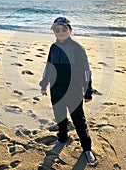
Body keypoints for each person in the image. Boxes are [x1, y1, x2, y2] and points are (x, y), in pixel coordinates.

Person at [39, 17, 96, 163]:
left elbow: (86, 71)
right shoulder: (53, 47)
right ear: (54, 32)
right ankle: (62, 138)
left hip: (73, 90)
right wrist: (44, 83)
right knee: (60, 116)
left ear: (70, 30)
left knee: (78, 120)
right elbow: (49, 66)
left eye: (64, 29)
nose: (61, 32)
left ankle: (87, 149)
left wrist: (88, 90)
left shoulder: (77, 48)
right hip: (56, 88)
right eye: (57, 29)